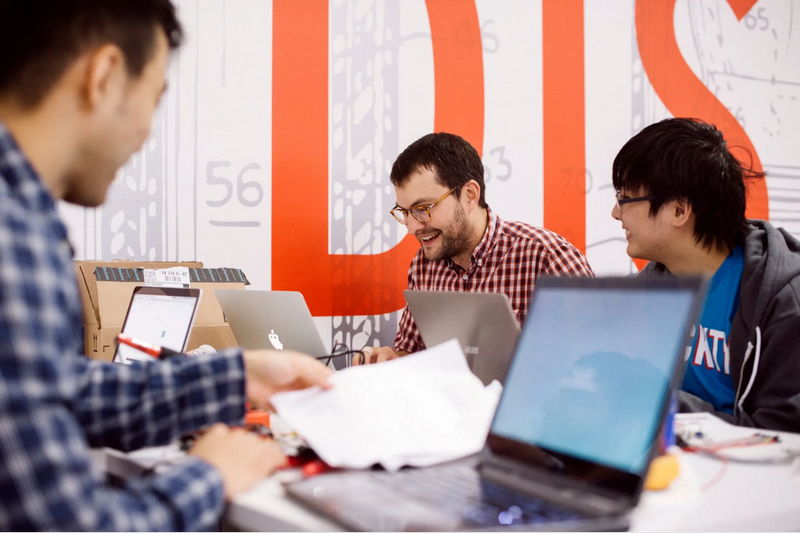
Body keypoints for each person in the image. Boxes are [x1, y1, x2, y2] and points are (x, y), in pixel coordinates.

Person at [0, 1, 332, 530]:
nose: (147, 133)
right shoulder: (13, 238)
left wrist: (237, 375)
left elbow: (59, 392)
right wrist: (212, 476)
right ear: (104, 76)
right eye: (153, 100)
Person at [611, 117, 800, 433]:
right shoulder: (648, 289)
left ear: (679, 211)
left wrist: (660, 404)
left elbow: (780, 437)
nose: (616, 213)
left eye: (625, 199)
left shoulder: (783, 301)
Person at [355, 132, 594, 365]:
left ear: (469, 195)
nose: (412, 227)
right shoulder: (424, 263)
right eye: (405, 213)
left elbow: (599, 359)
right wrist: (390, 360)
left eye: (423, 208)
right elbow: (413, 354)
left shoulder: (548, 258)